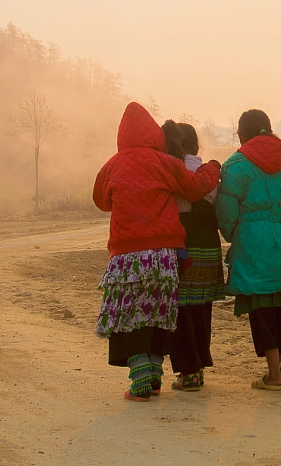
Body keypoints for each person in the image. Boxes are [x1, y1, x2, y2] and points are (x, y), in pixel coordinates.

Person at [91, 101, 221, 402]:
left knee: (128, 316)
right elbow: (195, 187)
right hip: (163, 255)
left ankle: (140, 384)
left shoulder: (112, 165)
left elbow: (101, 200)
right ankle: (155, 378)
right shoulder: (164, 162)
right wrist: (212, 167)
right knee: (158, 314)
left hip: (125, 258)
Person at [216, 108, 281, 391]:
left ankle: (273, 375)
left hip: (255, 243)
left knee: (260, 306)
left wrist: (235, 234)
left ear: (242, 135)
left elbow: (226, 213)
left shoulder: (235, 166)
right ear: (269, 130)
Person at [161, 119, 222, 391]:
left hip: (180, 240)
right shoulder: (208, 172)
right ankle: (198, 365)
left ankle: (188, 370)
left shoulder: (170, 169)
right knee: (200, 306)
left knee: (179, 307)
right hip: (208, 242)